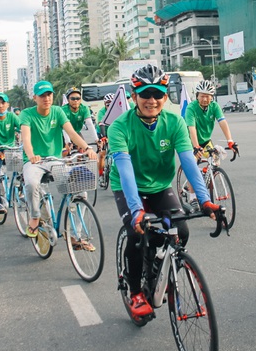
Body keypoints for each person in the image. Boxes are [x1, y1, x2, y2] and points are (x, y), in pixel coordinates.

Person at [108, 64, 221, 317]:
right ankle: (135, 290)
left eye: (158, 94)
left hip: (159, 186)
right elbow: (125, 171)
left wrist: (205, 200)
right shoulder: (120, 127)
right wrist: (136, 210)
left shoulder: (175, 122)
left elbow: (189, 163)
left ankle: (159, 267)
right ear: (133, 95)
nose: (152, 100)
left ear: (165, 96)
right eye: (145, 94)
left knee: (180, 230)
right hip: (128, 187)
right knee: (136, 236)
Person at [20, 80, 97, 238]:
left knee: (81, 189)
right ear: (35, 97)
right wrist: (31, 155)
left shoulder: (57, 111)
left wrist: (87, 148)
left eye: (49, 94)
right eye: (42, 95)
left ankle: (77, 235)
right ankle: (35, 217)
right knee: (32, 184)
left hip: (55, 161)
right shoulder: (27, 114)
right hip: (34, 161)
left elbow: (73, 133)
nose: (46, 98)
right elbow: (26, 139)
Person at [183, 79, 239, 209]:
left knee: (215, 160)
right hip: (191, 140)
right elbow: (192, 129)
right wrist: (196, 146)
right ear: (197, 96)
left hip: (206, 140)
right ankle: (192, 196)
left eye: (208, 96)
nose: (205, 99)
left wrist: (230, 141)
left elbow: (222, 122)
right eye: (202, 96)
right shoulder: (191, 108)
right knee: (193, 165)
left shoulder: (214, 106)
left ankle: (204, 175)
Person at [61, 86, 98, 153]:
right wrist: (68, 142)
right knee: (66, 152)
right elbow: (64, 129)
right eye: (73, 98)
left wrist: (96, 140)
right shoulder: (63, 110)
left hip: (76, 133)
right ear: (68, 100)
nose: (75, 101)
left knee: (82, 150)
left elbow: (89, 124)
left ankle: (80, 162)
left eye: (78, 98)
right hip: (63, 134)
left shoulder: (84, 108)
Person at [96, 93, 114, 177]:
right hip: (102, 131)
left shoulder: (118, 111)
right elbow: (101, 124)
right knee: (102, 154)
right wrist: (103, 137)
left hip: (113, 131)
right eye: (108, 104)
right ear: (104, 104)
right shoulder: (102, 112)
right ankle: (101, 175)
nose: (110, 106)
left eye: (112, 103)